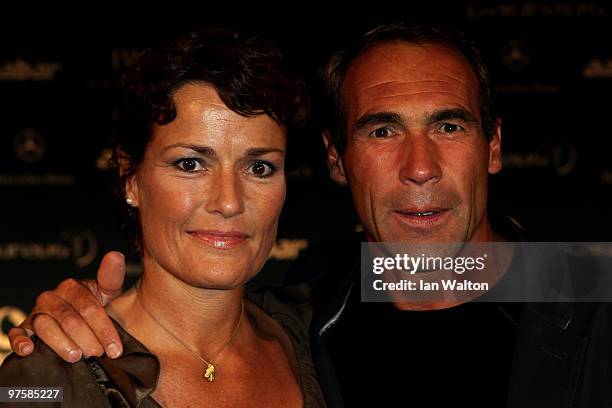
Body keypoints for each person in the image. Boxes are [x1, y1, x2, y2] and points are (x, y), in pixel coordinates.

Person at [7, 22, 612, 407]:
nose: (420, 167)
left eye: (449, 126)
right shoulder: (316, 303)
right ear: (337, 159)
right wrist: (55, 335)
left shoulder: (588, 297)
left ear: (494, 146)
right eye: (382, 130)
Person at [0, 27, 326, 407]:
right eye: (191, 164)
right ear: (131, 178)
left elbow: (410, 268)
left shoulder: (317, 328)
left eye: (259, 168)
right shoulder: (48, 380)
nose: (229, 201)